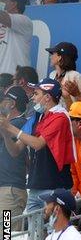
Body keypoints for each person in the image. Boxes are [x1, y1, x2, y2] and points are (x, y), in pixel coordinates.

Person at [0, 78, 74, 212]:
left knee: (52, 230)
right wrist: (5, 132)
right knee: (33, 233)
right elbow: (15, 150)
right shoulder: (36, 117)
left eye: (36, 94)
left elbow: (38, 144)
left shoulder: (60, 116)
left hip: (54, 186)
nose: (32, 97)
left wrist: (9, 127)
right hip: (35, 186)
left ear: (47, 97)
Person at [0, 86, 28, 229]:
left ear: (12, 103)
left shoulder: (20, 123)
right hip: (5, 189)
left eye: (3, 100)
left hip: (10, 191)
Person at [0, 0, 32, 74]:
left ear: (14, 3)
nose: (2, 1)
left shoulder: (25, 21)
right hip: (3, 80)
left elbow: (4, 17)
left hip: (17, 79)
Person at [46, 42, 81, 108]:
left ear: (59, 57)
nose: (50, 57)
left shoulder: (75, 76)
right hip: (54, 116)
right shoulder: (52, 74)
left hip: (70, 116)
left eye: (52, 54)